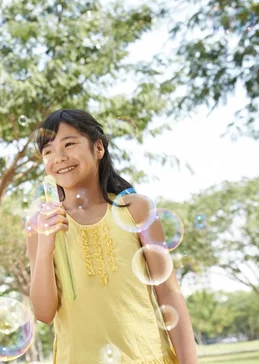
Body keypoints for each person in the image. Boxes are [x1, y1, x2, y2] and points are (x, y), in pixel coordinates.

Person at [26, 109, 198, 364]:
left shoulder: (136, 209)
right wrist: (46, 245)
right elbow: (44, 312)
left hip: (146, 356)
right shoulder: (39, 225)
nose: (59, 157)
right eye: (48, 151)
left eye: (69, 144)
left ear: (98, 148)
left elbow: (169, 293)